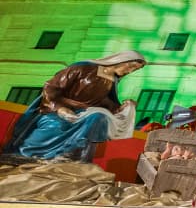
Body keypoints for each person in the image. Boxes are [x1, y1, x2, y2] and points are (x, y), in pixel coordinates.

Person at [3, 50, 148, 162]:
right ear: (120, 60)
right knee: (56, 126)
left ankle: (73, 154)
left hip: (84, 113)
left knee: (99, 117)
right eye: (131, 66)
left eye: (134, 70)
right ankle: (27, 154)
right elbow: (51, 88)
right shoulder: (83, 68)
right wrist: (59, 108)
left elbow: (105, 104)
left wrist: (123, 107)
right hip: (56, 110)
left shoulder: (113, 80)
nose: (130, 71)